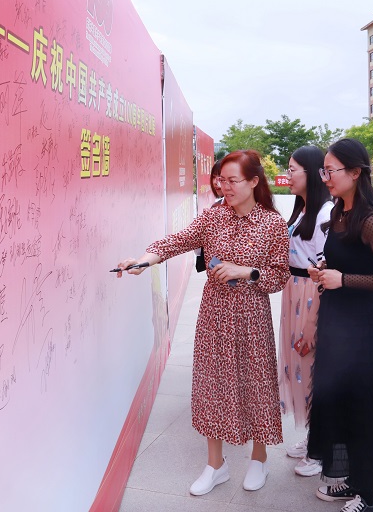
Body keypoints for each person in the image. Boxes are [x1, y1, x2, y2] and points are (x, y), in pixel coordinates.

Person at [116, 150, 290, 496]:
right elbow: (176, 241)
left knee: (255, 382)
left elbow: (279, 276)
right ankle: (215, 464)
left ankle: (259, 458)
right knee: (212, 385)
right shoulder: (213, 217)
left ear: (254, 182)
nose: (224, 187)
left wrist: (248, 272)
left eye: (233, 180)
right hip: (214, 314)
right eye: (222, 180)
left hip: (252, 316)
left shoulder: (272, 223)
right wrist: (144, 261)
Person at [307, 138, 373, 512]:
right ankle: (353, 480)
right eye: (324, 170)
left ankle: (368, 495)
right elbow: (344, 263)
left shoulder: (372, 221)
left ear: (355, 172)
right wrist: (325, 272)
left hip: (362, 329)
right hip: (336, 323)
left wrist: (343, 279)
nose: (326, 177)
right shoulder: (339, 212)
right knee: (340, 401)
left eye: (331, 170)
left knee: (363, 407)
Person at [279, 146, 333, 478]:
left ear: (310, 173)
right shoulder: (303, 210)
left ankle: (322, 447)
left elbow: (326, 269)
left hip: (312, 295)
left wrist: (314, 322)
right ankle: (315, 435)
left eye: (292, 169)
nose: (288, 175)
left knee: (313, 368)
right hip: (295, 292)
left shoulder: (325, 214)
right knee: (301, 367)